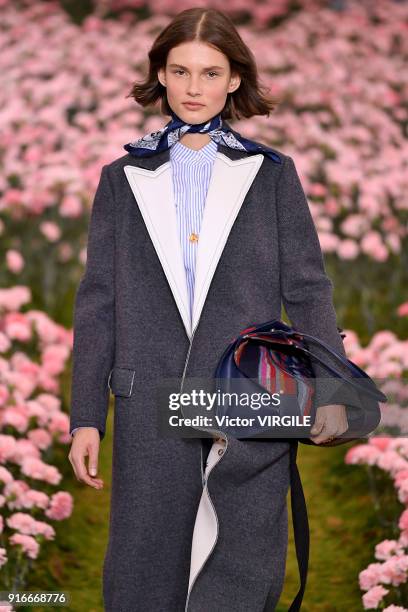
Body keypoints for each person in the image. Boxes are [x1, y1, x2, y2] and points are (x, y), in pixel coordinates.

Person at [68, 7, 349, 611]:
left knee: (241, 565)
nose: (195, 88)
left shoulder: (271, 176)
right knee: (146, 573)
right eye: (181, 71)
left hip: (245, 399)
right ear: (161, 77)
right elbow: (98, 302)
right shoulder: (121, 179)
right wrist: (86, 416)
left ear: (234, 81)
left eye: (211, 72)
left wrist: (332, 388)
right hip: (150, 401)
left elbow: (307, 288)